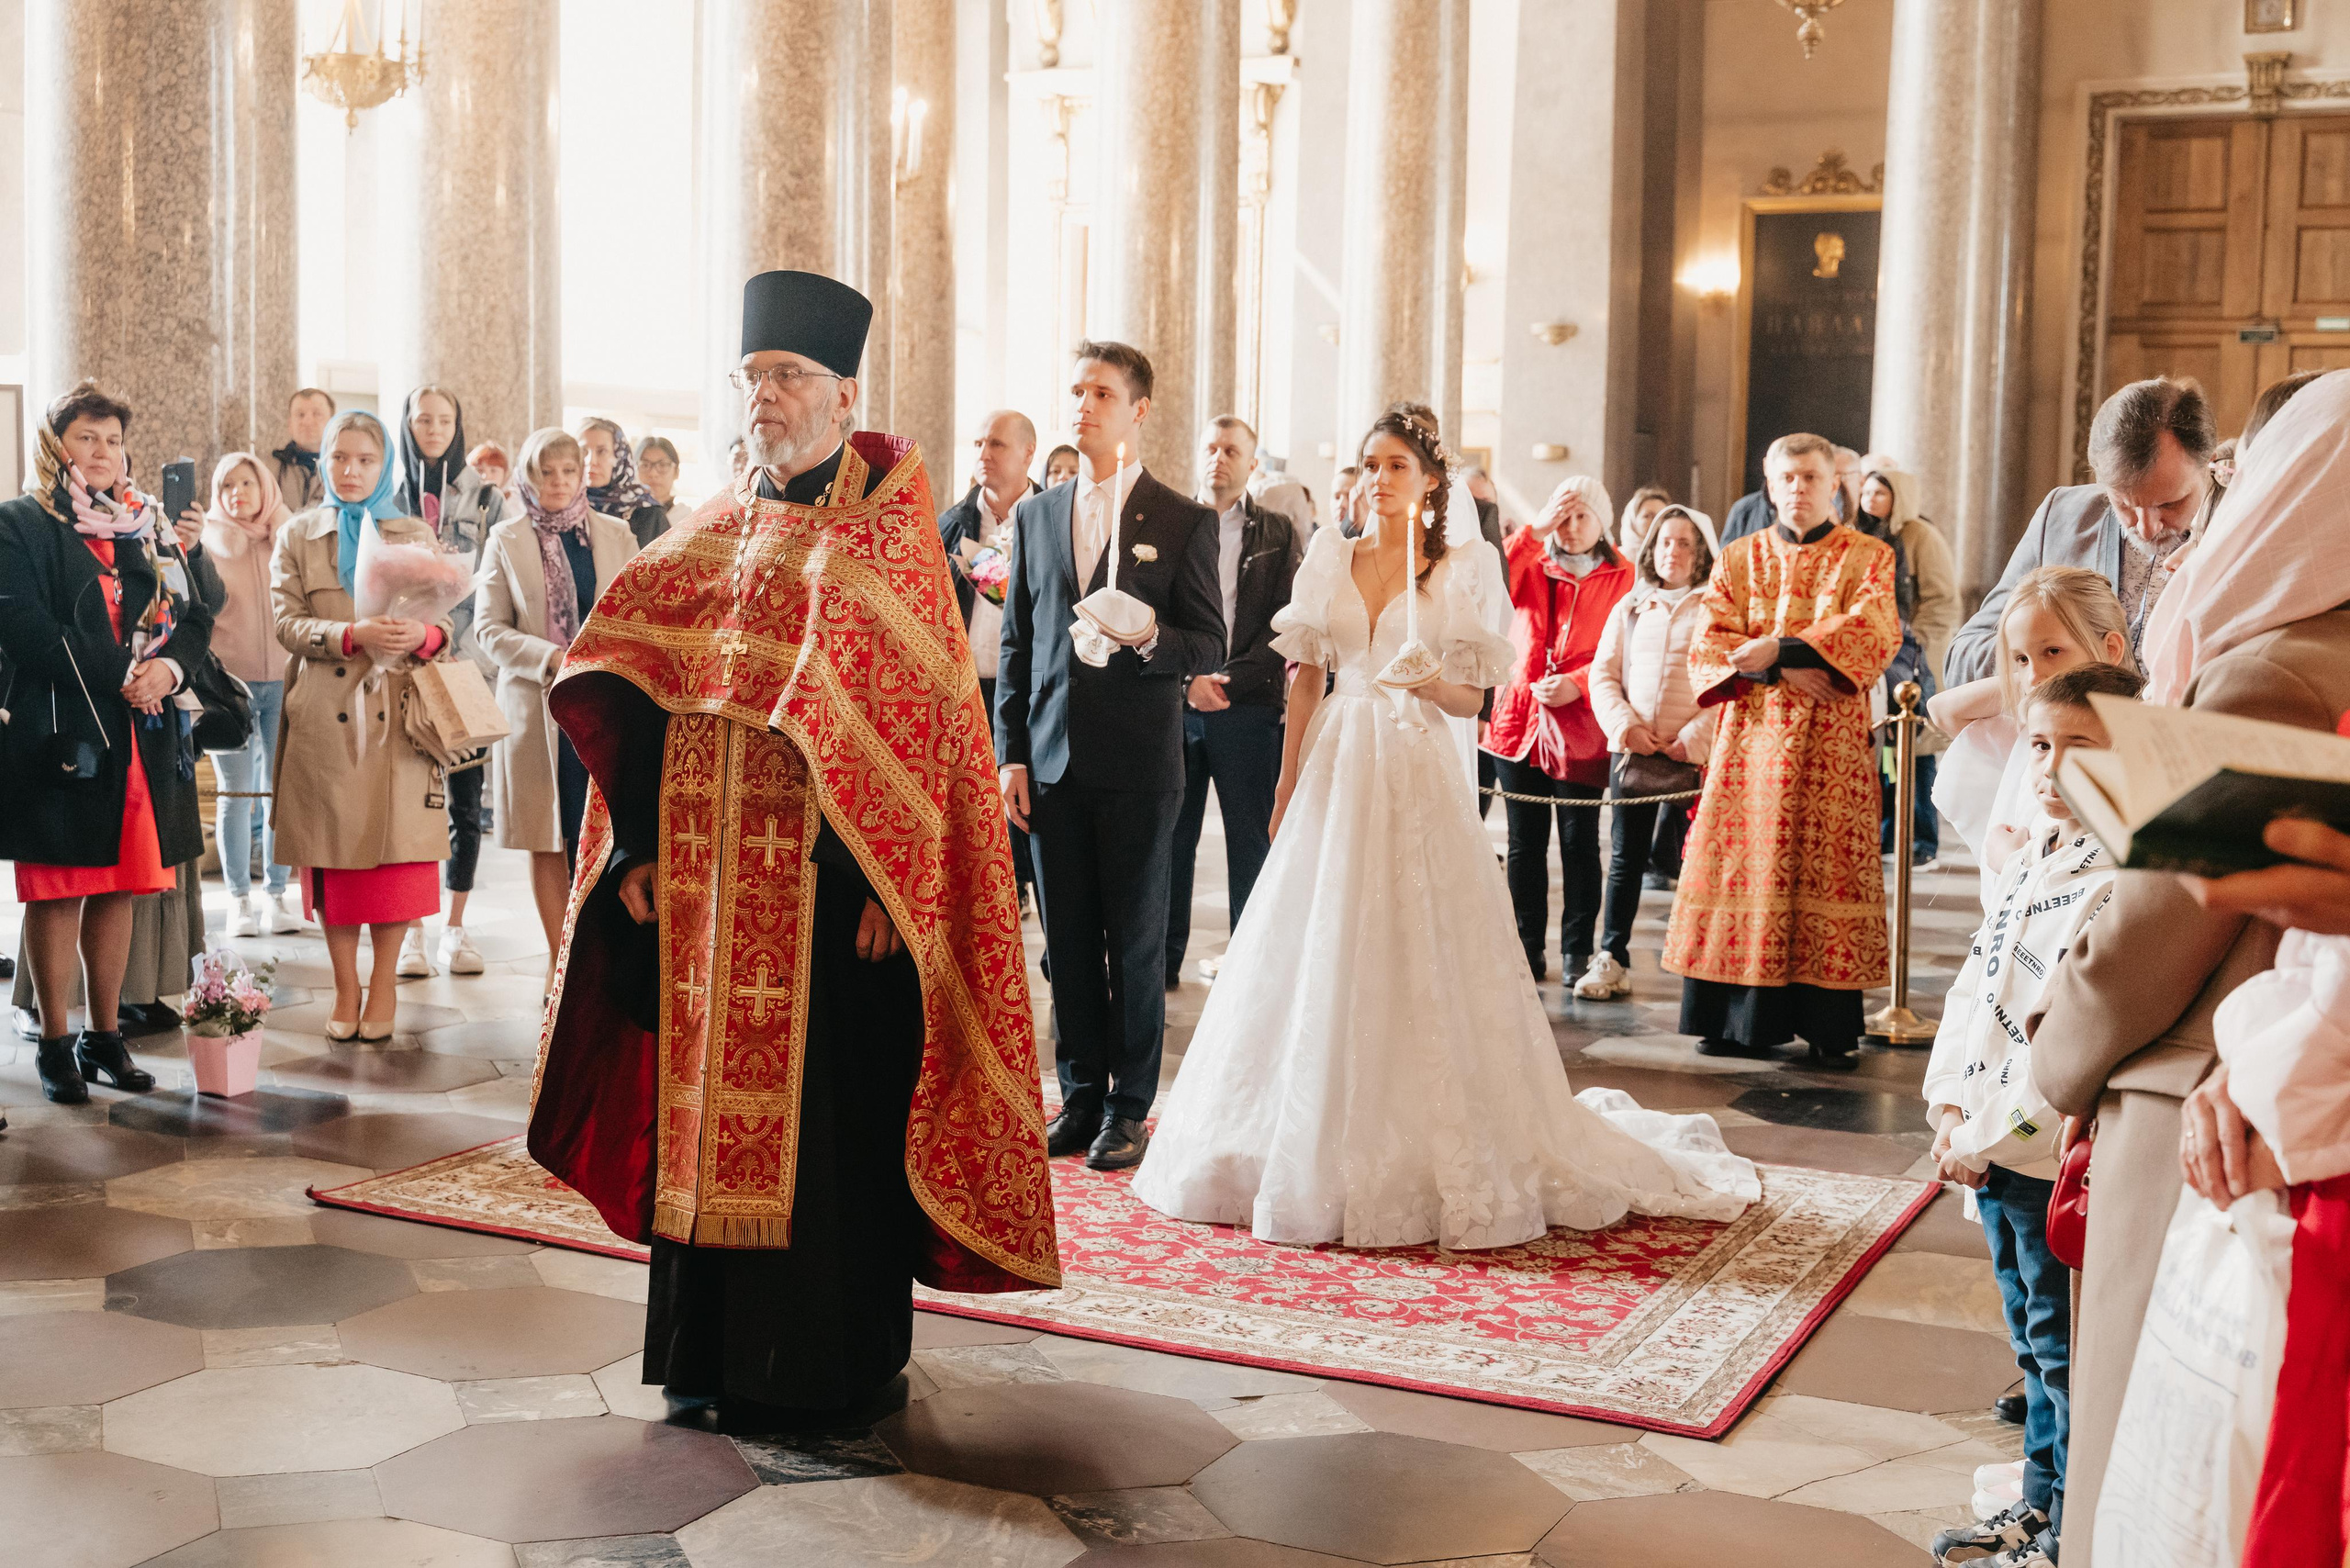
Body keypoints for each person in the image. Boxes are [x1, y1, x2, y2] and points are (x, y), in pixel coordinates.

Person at [529, 269, 1058, 1429]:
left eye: (786, 377)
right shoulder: (713, 528)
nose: (764, 397)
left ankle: (822, 1365)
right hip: (708, 887)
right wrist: (637, 857)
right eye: (752, 377)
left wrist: (893, 883)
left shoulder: (890, 544)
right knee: (701, 1116)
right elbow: (644, 694)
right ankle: (707, 1354)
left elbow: (929, 739)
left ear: (841, 391)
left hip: (832, 902)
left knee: (831, 1134)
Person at [1130, 405, 1758, 1249]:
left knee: (1417, 938)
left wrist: (1429, 685)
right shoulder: (1328, 556)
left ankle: (1428, 1142)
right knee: (1318, 939)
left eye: (1397, 467)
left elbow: (1473, 695)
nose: (1380, 481)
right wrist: (1284, 790)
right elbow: (1307, 683)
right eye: (1370, 465)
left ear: (1429, 483)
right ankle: (1293, 1138)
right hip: (1337, 761)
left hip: (1417, 760)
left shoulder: (1463, 567)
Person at [2025, 369, 2350, 1566]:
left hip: (2202, 1096)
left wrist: (2056, 1058)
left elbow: (2154, 928)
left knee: (2141, 1464)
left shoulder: (2278, 664)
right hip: (2288, 1093)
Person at [1924, 664, 2143, 1568]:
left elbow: (2058, 1046)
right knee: (2028, 1337)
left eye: (2078, 746)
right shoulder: (2034, 855)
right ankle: (2037, 1504)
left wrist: (1978, 1136)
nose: (2048, 764)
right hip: (1986, 1150)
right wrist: (1945, 1102)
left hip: (2036, 1154)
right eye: (2040, 743)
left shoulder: (2114, 879)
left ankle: (2057, 1526)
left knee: (2058, 1354)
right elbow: (1976, 987)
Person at [994, 340, 1226, 1172]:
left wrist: (1150, 637)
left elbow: (1209, 642)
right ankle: (1079, 1093)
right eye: (1076, 390)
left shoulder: (1181, 519)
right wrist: (1010, 754)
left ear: (1138, 411)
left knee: (1130, 941)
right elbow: (1018, 645)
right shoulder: (1036, 514)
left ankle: (1130, 1107)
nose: (1083, 405)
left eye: (1101, 393)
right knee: (1064, 941)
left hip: (1137, 766)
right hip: (1051, 764)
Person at [0, 381, 213, 1103]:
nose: (101, 452)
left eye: (113, 439)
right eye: (87, 437)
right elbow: (23, 626)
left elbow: (195, 615)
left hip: (141, 735)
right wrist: (124, 669)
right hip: (62, 734)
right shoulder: (20, 522)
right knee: (60, 890)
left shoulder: (146, 524)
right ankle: (55, 1044)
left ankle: (104, 1036)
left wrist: (169, 668)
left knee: (123, 884)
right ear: (58, 444)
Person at [1663, 432, 1900, 1070]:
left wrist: (1776, 647)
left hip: (1830, 751)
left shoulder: (1868, 555)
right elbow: (1710, 641)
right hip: (1751, 746)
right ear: (1769, 486)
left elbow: (1875, 628)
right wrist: (1780, 667)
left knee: (1822, 870)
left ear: (1834, 486)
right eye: (1787, 478)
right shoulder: (1739, 558)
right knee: (1747, 865)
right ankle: (1734, 1019)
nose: (1798, 489)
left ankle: (1824, 1022)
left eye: (1810, 478)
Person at [272, 409, 453, 1040]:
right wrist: (348, 634)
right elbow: (285, 622)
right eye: (339, 458)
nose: (351, 471)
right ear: (322, 461)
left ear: (386, 467)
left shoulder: (412, 530)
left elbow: (448, 626)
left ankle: (382, 988)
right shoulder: (297, 533)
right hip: (327, 712)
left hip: (398, 717)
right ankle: (345, 986)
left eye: (365, 460)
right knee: (335, 860)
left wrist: (424, 634)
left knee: (396, 860)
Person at [474, 428, 637, 990]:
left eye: (571, 470)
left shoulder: (616, 534)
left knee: (603, 833)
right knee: (551, 836)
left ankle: (598, 951)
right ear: (530, 477)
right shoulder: (506, 537)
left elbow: (639, 616)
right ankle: (557, 957)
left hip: (605, 706)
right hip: (538, 706)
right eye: (548, 473)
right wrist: (552, 659)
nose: (561, 482)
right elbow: (487, 629)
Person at [1947, 376, 2210, 688]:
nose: (2146, 528)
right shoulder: (2063, 515)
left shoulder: (2242, 527)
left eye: (2169, 503)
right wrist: (2055, 660)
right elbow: (1962, 659)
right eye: (2124, 504)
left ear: (2209, 465)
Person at [1165, 415, 1303, 986]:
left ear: (1252, 464)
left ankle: (1249, 964)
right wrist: (1186, 681)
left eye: (1232, 451)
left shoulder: (1276, 531)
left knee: (1251, 835)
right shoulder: (1171, 522)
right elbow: (1153, 614)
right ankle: (1162, 959)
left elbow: (1284, 626)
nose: (1218, 458)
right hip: (1175, 704)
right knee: (1171, 837)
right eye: (1210, 448)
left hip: (1246, 706)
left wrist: (1226, 681)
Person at [1482, 475, 1633, 985]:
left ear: (1602, 523)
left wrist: (1578, 683)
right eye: (1562, 517)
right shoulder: (1531, 562)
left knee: (1578, 842)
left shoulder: (1625, 577)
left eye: (1581, 517)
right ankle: (1527, 948)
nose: (1570, 528)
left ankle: (1575, 950)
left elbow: (1626, 652)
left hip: (1581, 723)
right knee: (1524, 843)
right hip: (1519, 718)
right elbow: (1494, 578)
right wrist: (1534, 527)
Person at [1927, 567, 2130, 909]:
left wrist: (2012, 863)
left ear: (2110, 648)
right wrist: (2031, 681)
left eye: (2052, 651)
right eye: (2020, 658)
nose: (2033, 674)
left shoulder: (2129, 740)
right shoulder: (2033, 728)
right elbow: (1942, 709)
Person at [1581, 506, 1717, 999]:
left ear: (1700, 552)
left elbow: (1726, 685)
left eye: (1684, 543)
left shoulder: (1715, 609)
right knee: (1625, 859)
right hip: (1634, 752)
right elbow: (1603, 675)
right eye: (1664, 542)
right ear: (1650, 550)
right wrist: (1626, 728)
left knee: (1699, 864)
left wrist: (1692, 741)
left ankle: (1702, 969)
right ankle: (1611, 957)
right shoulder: (1631, 607)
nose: (1673, 552)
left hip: (1692, 755)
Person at [393, 386, 506, 979]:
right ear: (406, 424)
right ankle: (411, 931)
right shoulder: (389, 495)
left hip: (466, 667)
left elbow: (498, 576)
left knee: (464, 802)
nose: (433, 428)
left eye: (444, 419)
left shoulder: (486, 496)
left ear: (458, 425)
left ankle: (455, 929)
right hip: (402, 665)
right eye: (422, 419)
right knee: (412, 804)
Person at [939, 409, 1039, 909]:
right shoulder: (949, 524)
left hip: (1031, 689)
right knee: (972, 813)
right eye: (978, 442)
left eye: (997, 443)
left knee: (1028, 811)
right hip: (966, 687)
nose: (983, 453)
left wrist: (991, 570)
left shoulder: (1053, 518)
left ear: (1028, 453)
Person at [202, 453, 298, 936]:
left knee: (279, 792)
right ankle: (239, 898)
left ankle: (277, 896)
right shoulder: (208, 543)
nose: (238, 492)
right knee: (237, 793)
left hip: (284, 679)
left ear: (266, 488)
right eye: (227, 485)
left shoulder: (290, 537)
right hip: (230, 686)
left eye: (247, 482)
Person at [1853, 467, 1960, 869]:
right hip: (1870, 657)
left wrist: (1917, 642)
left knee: (1914, 751)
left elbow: (1941, 600)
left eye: (1880, 492)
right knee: (1882, 749)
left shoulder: (1920, 537)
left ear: (1900, 495)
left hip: (1912, 660)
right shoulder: (1858, 535)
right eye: (1865, 491)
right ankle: (1884, 836)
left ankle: (1921, 841)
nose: (1870, 499)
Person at [576, 416, 670, 549]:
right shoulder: (565, 510)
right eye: (583, 451)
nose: (591, 461)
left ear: (620, 457)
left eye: (602, 451)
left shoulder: (649, 514)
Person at [273, 387, 334, 514]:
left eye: (317, 414)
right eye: (300, 415)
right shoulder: (270, 468)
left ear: (333, 421)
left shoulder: (345, 467)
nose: (307, 422)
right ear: (290, 424)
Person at [635, 435, 692, 535]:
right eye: (645, 465)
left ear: (676, 472)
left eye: (663, 465)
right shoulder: (626, 515)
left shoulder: (688, 520)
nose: (653, 474)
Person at [1615, 484, 1670, 555]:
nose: (1657, 522)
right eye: (1648, 516)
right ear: (1632, 522)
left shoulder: (1669, 560)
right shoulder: (1615, 561)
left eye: (1663, 517)